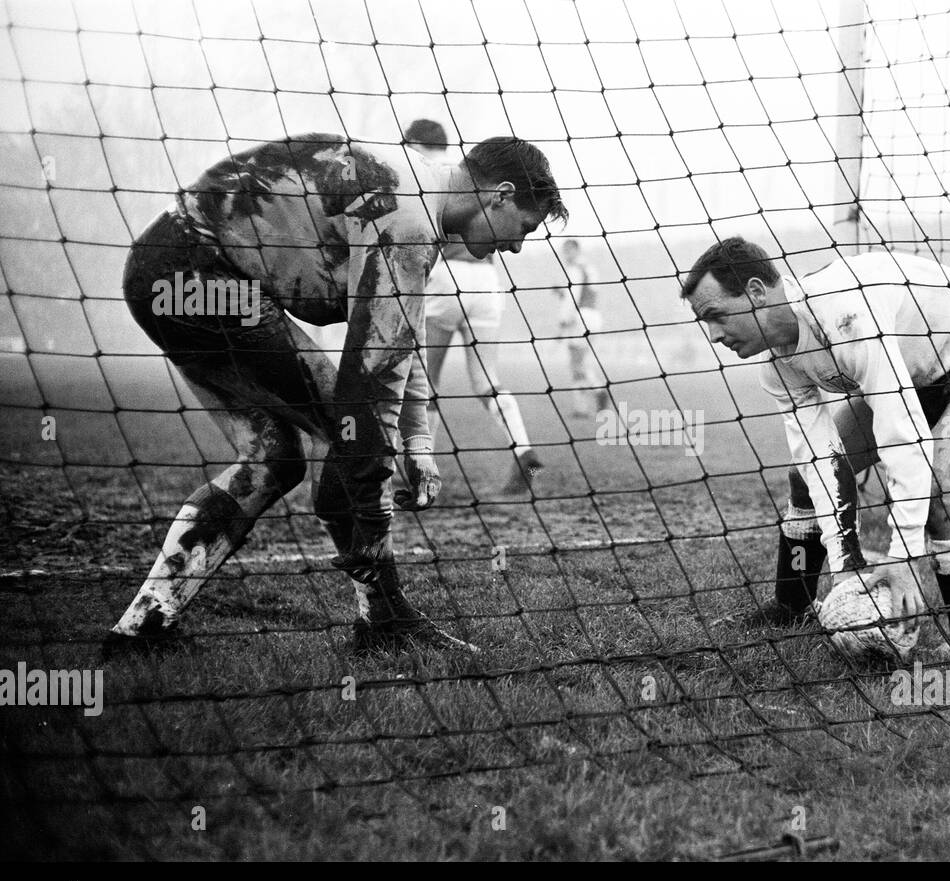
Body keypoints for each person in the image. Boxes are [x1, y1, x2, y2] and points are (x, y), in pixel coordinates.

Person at [108, 132, 567, 656]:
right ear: (500, 195)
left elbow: (397, 337)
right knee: (355, 433)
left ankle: (141, 629)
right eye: (524, 229)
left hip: (163, 272)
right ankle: (384, 618)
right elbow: (372, 378)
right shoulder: (413, 219)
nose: (516, 245)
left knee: (273, 458)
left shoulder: (413, 192)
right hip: (202, 278)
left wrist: (416, 441)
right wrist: (378, 459)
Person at [681, 237, 950, 655]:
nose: (713, 335)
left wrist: (903, 555)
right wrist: (845, 566)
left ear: (757, 292)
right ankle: (793, 607)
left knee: (935, 491)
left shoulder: (845, 316)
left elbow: (900, 436)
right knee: (805, 478)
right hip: (916, 365)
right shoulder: (777, 368)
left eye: (716, 316)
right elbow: (821, 462)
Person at [404, 120, 544, 495]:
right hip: (486, 283)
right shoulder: (470, 171)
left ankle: (423, 475)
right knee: (487, 381)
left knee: (425, 383)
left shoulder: (426, 175)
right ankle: (523, 448)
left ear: (414, 142)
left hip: (446, 279)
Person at [554, 238, 610, 417]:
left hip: (580, 318)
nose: (566, 255)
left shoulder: (575, 269)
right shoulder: (589, 267)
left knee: (576, 363)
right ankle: (586, 402)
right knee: (582, 362)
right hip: (594, 316)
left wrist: (563, 320)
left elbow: (574, 295)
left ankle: (594, 394)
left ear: (575, 250)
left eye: (568, 251)